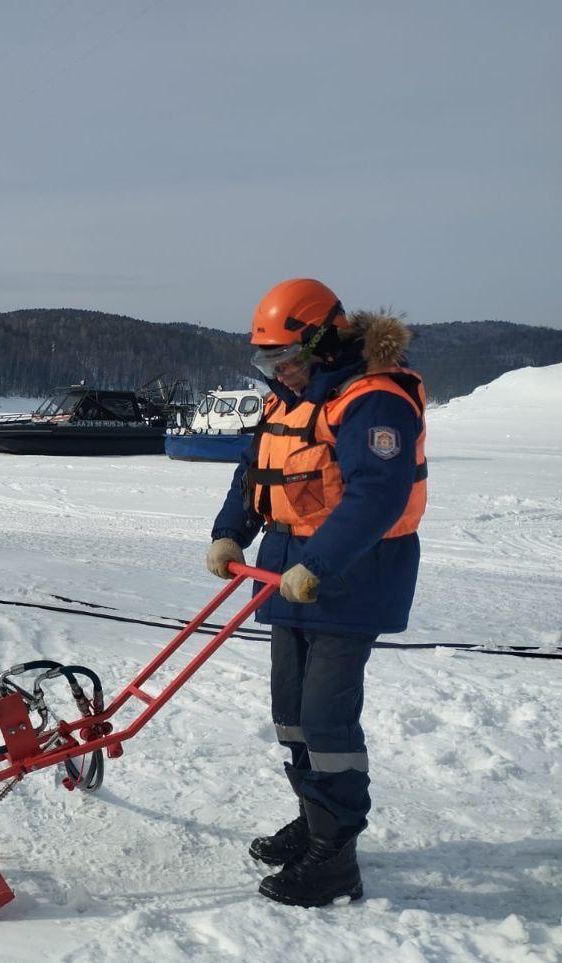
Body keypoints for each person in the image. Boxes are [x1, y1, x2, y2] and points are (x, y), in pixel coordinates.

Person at [205, 278, 427, 907]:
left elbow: (377, 495)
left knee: (328, 718)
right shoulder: (290, 399)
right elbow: (257, 472)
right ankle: (315, 820)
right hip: (287, 568)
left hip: (351, 571)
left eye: (287, 360)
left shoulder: (373, 400)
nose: (279, 374)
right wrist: (230, 534)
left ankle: (336, 856)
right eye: (266, 363)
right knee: (292, 713)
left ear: (324, 341)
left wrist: (321, 563)